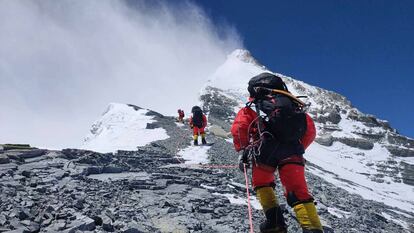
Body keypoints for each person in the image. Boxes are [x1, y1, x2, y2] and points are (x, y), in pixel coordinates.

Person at [231, 72, 323, 233]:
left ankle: (275, 224)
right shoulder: (293, 105)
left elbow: (239, 128)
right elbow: (310, 131)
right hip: (292, 152)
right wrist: (298, 150)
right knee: (297, 189)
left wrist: (243, 150)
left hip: (264, 152)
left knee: (262, 183)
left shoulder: (254, 105)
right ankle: (313, 228)